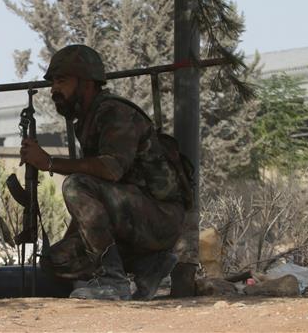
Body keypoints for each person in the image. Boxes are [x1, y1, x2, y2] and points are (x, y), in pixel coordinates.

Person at [20, 45, 188, 301]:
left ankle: (113, 280)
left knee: (75, 185)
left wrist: (49, 163)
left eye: (62, 81)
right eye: (53, 83)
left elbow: (110, 169)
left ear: (87, 83)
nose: (54, 90)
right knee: (55, 261)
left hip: (159, 217)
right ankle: (148, 266)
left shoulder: (114, 112)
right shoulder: (89, 119)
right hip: (130, 220)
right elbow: (95, 199)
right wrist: (76, 240)